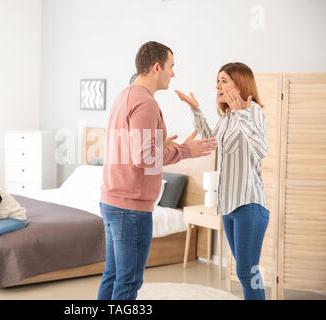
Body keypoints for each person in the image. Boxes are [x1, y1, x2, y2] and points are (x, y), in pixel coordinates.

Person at [98, 41, 218, 300]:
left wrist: (161, 144)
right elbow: (144, 158)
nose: (173, 73)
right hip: (130, 207)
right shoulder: (146, 103)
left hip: (112, 200)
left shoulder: (124, 95)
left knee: (113, 275)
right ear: (156, 67)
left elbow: (129, 146)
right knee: (128, 282)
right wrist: (187, 151)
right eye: (171, 66)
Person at [175, 62, 269, 300]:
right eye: (217, 80)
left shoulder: (253, 111)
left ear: (240, 84)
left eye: (224, 80)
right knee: (245, 271)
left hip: (249, 204)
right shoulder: (227, 117)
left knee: (247, 272)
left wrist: (242, 114)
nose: (217, 85)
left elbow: (261, 149)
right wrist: (196, 110)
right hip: (229, 206)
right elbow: (210, 142)